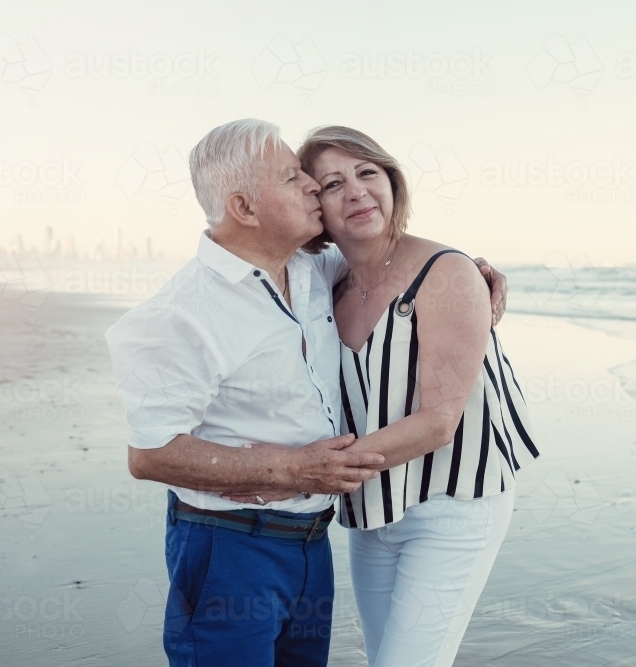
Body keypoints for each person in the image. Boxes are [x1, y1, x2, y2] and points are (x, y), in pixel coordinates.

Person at [104, 119, 508, 667]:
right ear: (245, 208)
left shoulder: (314, 269)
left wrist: (471, 273)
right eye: (296, 177)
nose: (314, 189)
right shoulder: (178, 315)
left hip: (313, 541)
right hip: (230, 544)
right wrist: (287, 470)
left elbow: (394, 263)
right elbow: (149, 454)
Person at [303, 126, 540, 666]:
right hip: (373, 507)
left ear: (392, 182)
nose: (357, 192)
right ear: (315, 207)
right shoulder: (323, 281)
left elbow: (439, 421)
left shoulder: (448, 273)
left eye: (368, 173)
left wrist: (312, 469)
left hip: (453, 506)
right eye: (333, 183)